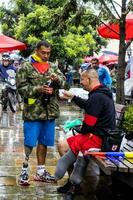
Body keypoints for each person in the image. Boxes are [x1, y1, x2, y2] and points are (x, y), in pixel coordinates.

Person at [54, 69, 116, 200]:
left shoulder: (97, 96)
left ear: (89, 79)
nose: (81, 82)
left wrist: (78, 129)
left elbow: (88, 125)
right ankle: (73, 183)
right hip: (101, 135)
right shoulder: (100, 92)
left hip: (99, 139)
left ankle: (74, 184)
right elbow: (88, 105)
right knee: (63, 144)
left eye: (82, 79)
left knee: (63, 145)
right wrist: (73, 97)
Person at [16, 40, 65, 185]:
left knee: (44, 142)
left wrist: (56, 82)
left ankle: (41, 171)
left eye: (48, 53)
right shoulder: (25, 66)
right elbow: (21, 89)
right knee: (30, 142)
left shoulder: (53, 66)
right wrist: (39, 89)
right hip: (33, 112)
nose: (46, 55)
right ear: (36, 50)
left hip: (49, 111)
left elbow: (64, 82)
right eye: (43, 52)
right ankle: (24, 170)